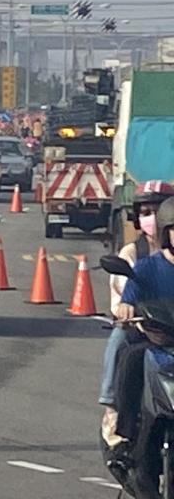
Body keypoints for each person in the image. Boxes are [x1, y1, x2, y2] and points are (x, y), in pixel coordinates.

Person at [111, 197, 174, 461]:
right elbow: (130, 296)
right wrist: (127, 307)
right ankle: (126, 434)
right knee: (131, 358)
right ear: (166, 232)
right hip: (158, 340)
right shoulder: (147, 267)